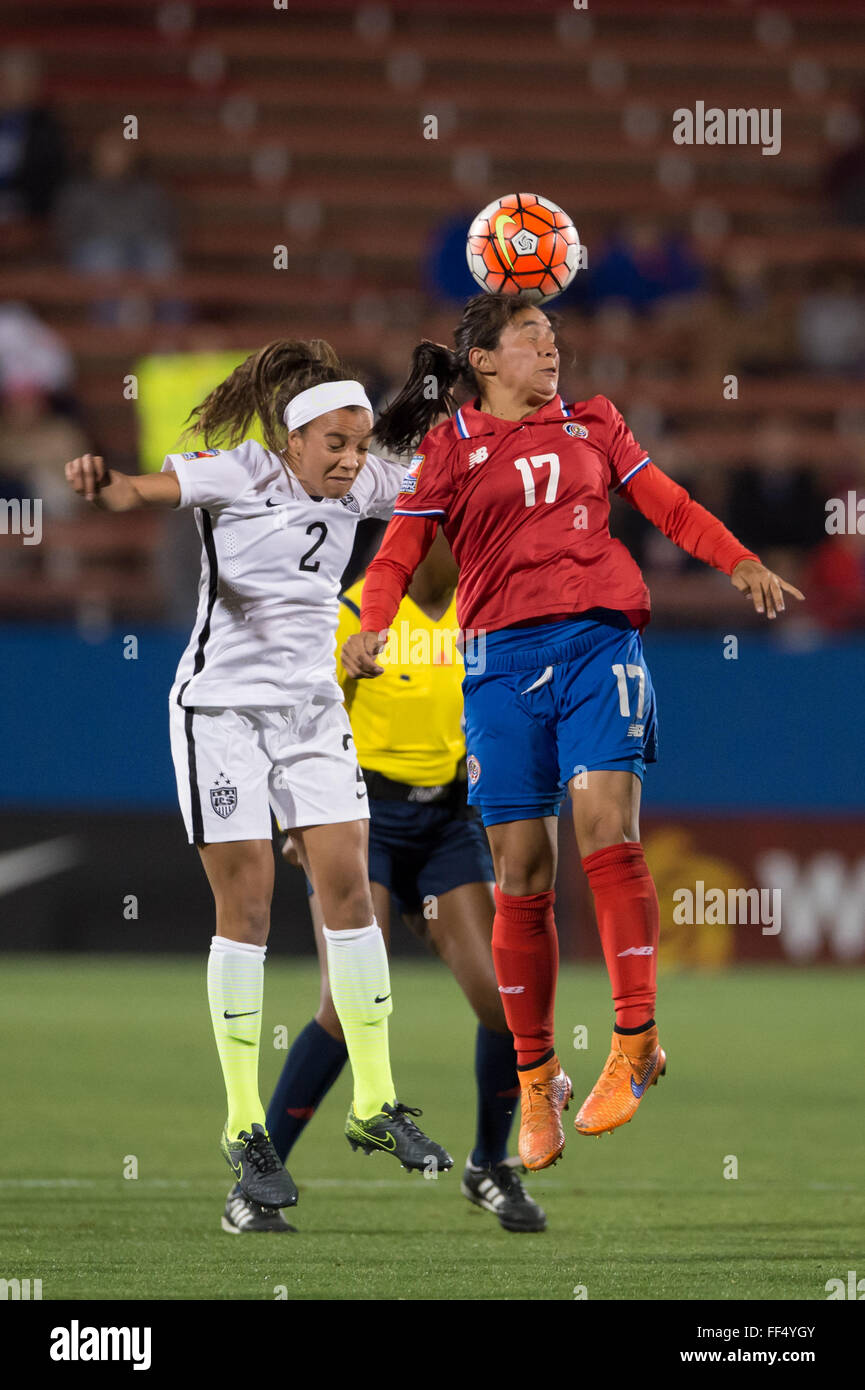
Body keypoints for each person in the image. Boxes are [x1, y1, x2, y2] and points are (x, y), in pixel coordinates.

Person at [343, 293, 804, 1172]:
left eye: (553, 336)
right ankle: (536, 1075)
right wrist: (371, 620)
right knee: (521, 869)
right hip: (496, 667)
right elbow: (398, 552)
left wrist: (737, 559)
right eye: (530, 337)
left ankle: (634, 1042)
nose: (550, 349)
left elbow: (666, 503)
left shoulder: (596, 424)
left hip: (598, 643)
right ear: (482, 360)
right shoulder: (446, 450)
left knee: (605, 829)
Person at [63, 338, 452, 1217]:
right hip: (222, 713)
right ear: (292, 437)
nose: (352, 463)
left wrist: (447, 398)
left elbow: (444, 472)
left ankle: (374, 1102)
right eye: (336, 446)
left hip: (313, 709)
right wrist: (107, 484)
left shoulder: (365, 481)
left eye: (361, 445)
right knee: (244, 907)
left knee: (350, 890)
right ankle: (245, 1126)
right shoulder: (238, 472)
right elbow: (145, 490)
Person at [225, 530, 545, 1236]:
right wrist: (293, 820)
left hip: (443, 826)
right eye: (451, 533)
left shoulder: (480, 613)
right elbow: (296, 723)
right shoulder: (351, 616)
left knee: (502, 1001)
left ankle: (487, 1165)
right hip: (356, 818)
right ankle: (256, 1179)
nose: (466, 545)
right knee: (346, 1005)